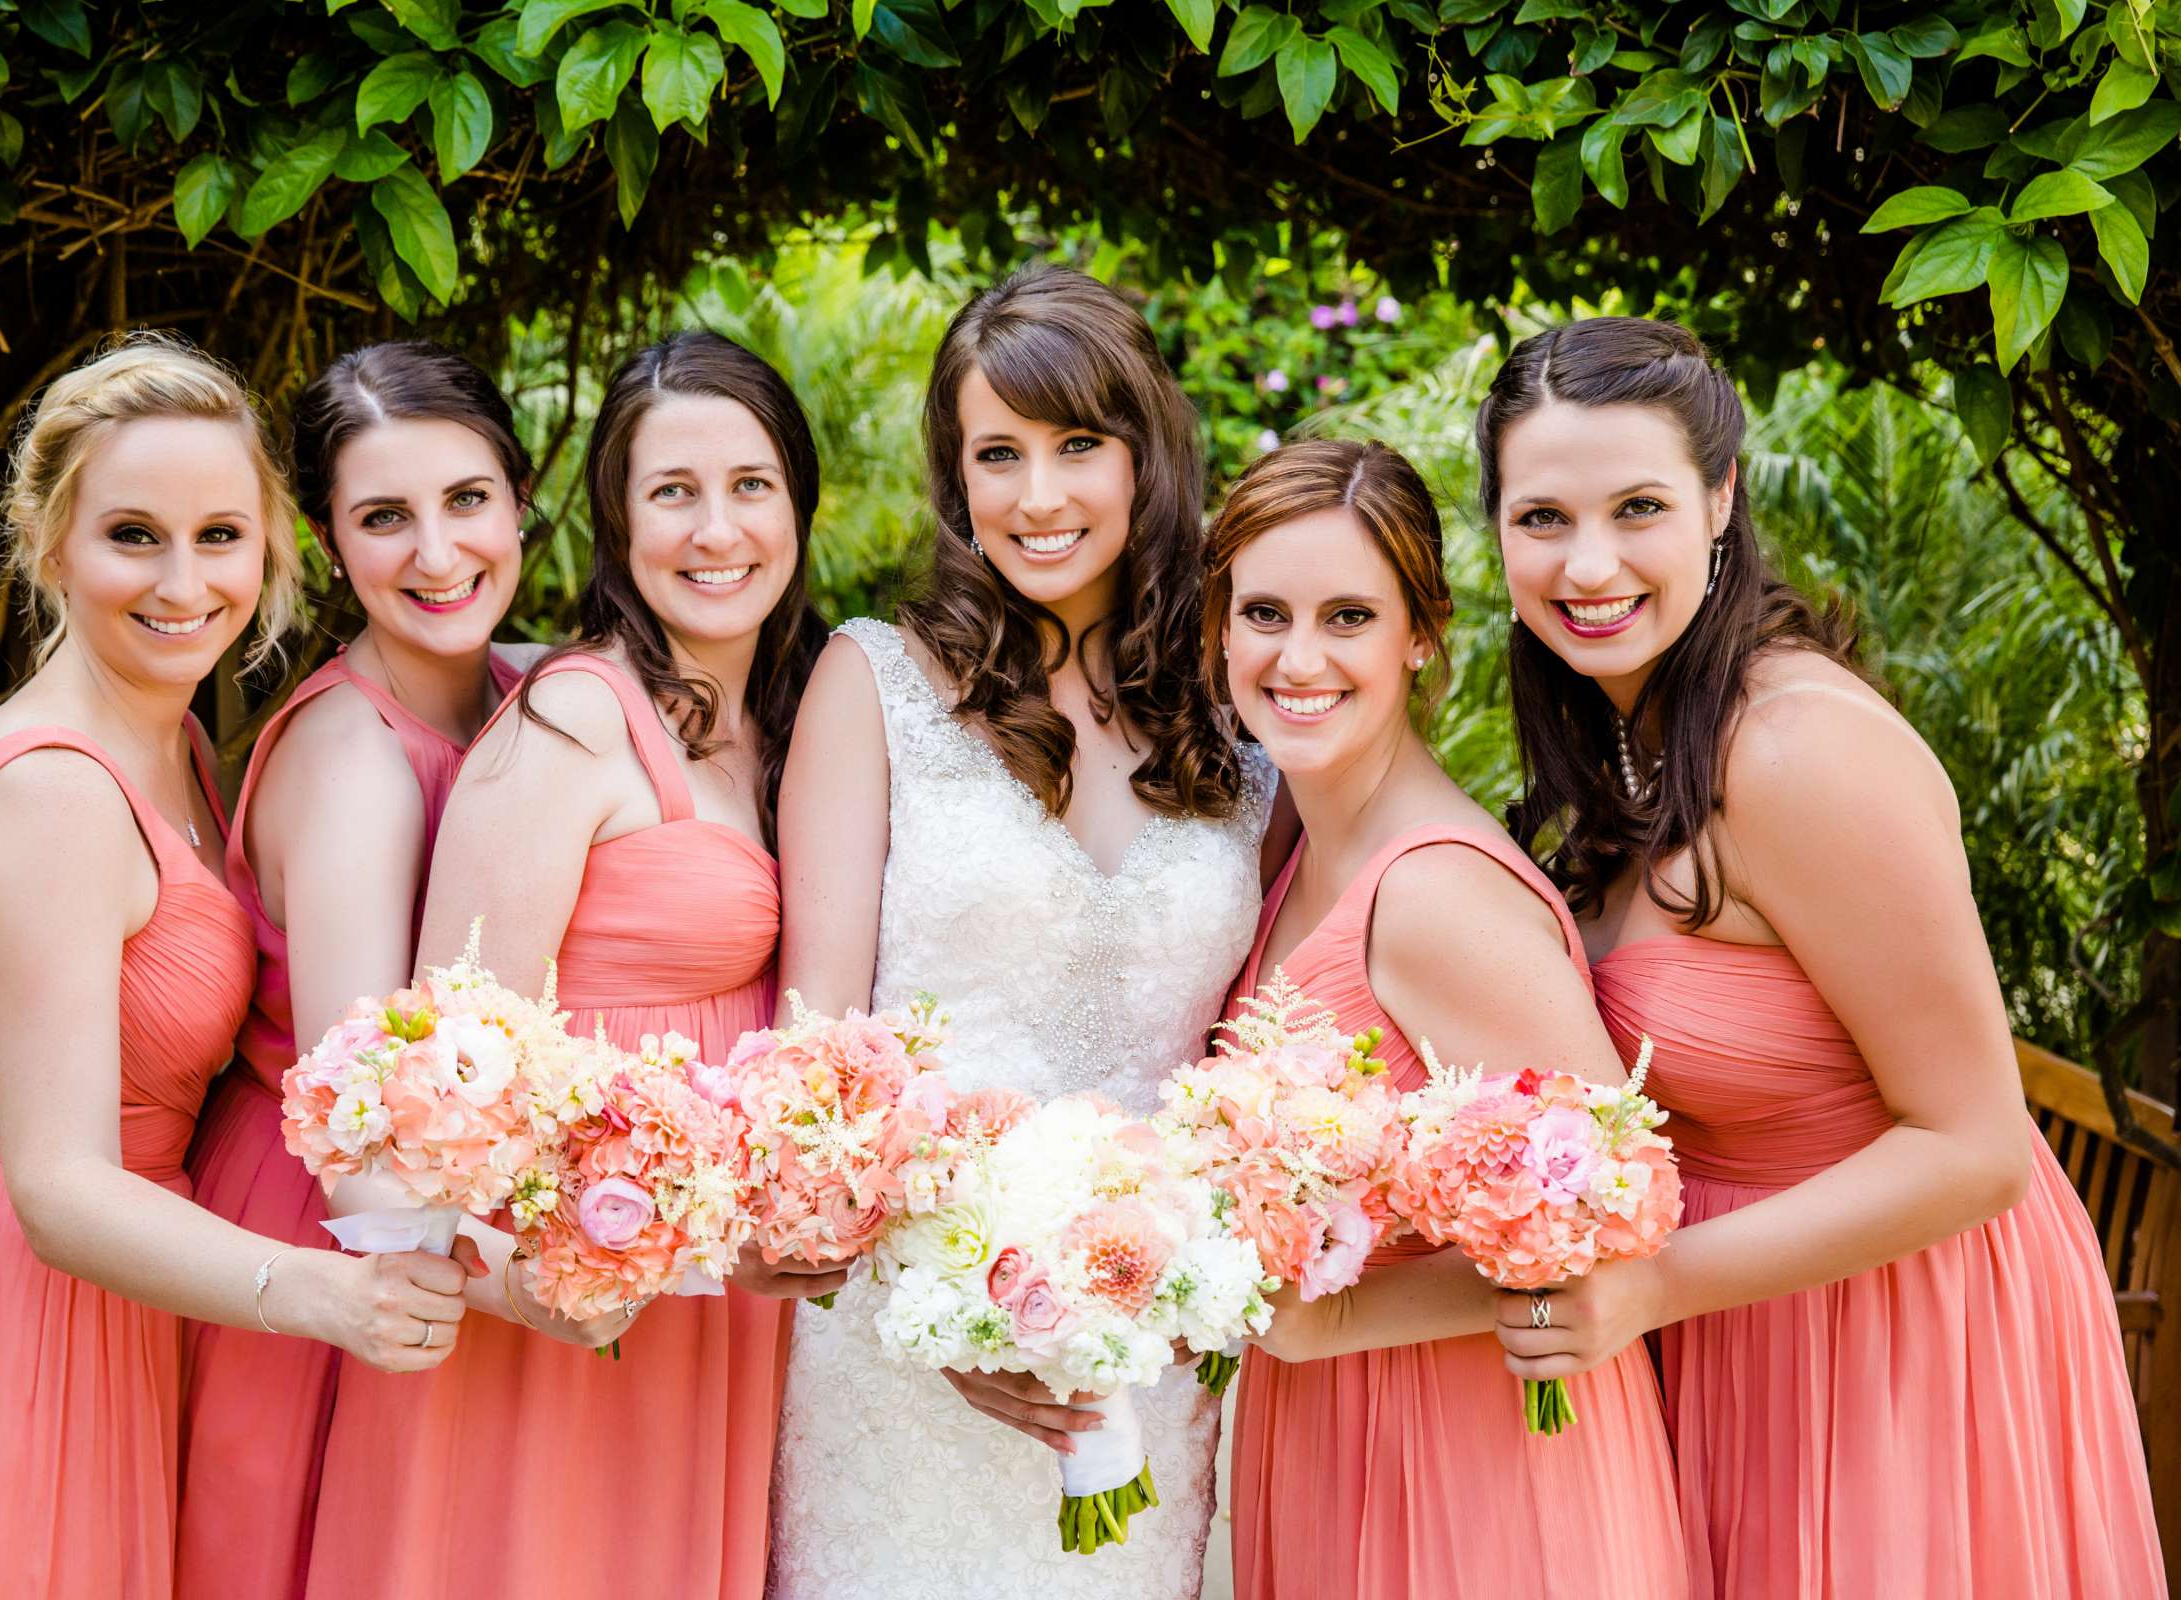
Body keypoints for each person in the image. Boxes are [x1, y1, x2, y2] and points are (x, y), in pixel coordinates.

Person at [0, 335, 475, 1600]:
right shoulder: (54, 792)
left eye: (220, 534)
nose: (183, 580)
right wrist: (328, 1291)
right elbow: (55, 1185)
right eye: (133, 535)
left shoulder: (183, 749)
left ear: (270, 545)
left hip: (125, 1289)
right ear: (51, 545)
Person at [1482, 315, 2163, 1597]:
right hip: (1750, 1323)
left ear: (1722, 499)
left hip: (1905, 1330)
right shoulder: (1624, 738)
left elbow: (1976, 1145)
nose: (1589, 564)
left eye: (1638, 508)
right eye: (1542, 519)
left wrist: (1649, 1285)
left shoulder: (1795, 750)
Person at [766, 262, 1281, 1599]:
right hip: (903, 1357)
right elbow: (815, 1058)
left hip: (1147, 1356)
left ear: (1145, 457)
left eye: (1076, 447)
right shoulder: (873, 681)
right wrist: (926, 1307)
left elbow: (1256, 1070)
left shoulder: (1243, 730)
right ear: (956, 480)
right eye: (998, 454)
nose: (1037, 496)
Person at [302, 330, 834, 1600]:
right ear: (614, 522)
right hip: (562, 1316)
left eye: (750, 485)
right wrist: (576, 1270)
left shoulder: (789, 717)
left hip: (714, 1317)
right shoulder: (571, 723)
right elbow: (440, 1093)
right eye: (672, 493)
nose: (717, 530)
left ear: (801, 502)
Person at [1204, 438, 1687, 1597]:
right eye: (1263, 611)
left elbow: (1612, 1222)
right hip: (1331, 1443)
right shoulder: (1299, 852)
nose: (1299, 656)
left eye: (1350, 617)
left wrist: (1331, 1323)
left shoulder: (1434, 894)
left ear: (1421, 635)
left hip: (1471, 1464)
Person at [175, 341, 542, 1600]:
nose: (437, 555)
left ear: (520, 501)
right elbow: (358, 1129)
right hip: (326, 1237)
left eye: (465, 501)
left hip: (443, 1238)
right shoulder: (353, 763)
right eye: (384, 518)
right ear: (330, 545)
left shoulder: (524, 689)